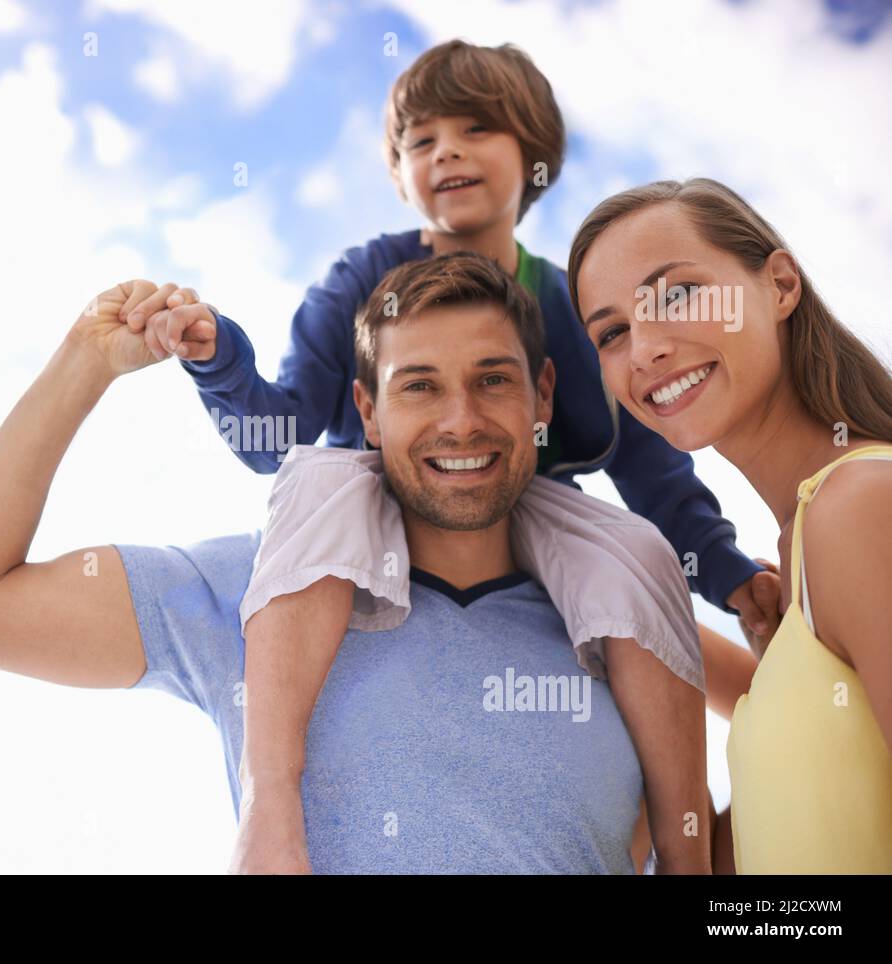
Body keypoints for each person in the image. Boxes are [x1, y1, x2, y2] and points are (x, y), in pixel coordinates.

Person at [122, 38, 774, 872]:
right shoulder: (366, 276)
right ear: (398, 174)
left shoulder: (569, 305)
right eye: (421, 141)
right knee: (320, 479)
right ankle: (272, 800)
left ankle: (688, 860)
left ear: (533, 158)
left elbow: (648, 468)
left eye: (475, 129)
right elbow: (277, 435)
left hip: (520, 508)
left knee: (633, 553)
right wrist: (219, 361)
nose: (448, 152)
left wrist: (724, 572)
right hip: (378, 499)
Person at [0, 253, 705, 873]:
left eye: (493, 380)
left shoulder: (618, 621)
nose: (462, 420)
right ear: (367, 413)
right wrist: (84, 362)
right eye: (418, 386)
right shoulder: (250, 594)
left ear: (544, 398)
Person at [569, 176, 892, 873]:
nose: (646, 348)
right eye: (613, 332)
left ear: (779, 285)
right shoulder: (801, 554)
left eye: (677, 294)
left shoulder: (861, 506)